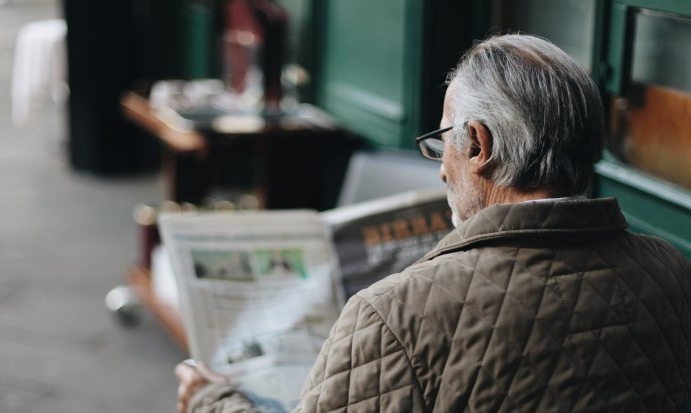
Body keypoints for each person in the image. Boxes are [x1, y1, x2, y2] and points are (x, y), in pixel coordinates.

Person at [175, 34, 691, 412]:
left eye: (444, 141)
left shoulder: (392, 314)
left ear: (480, 145)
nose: (441, 165)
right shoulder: (673, 271)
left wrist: (213, 401)